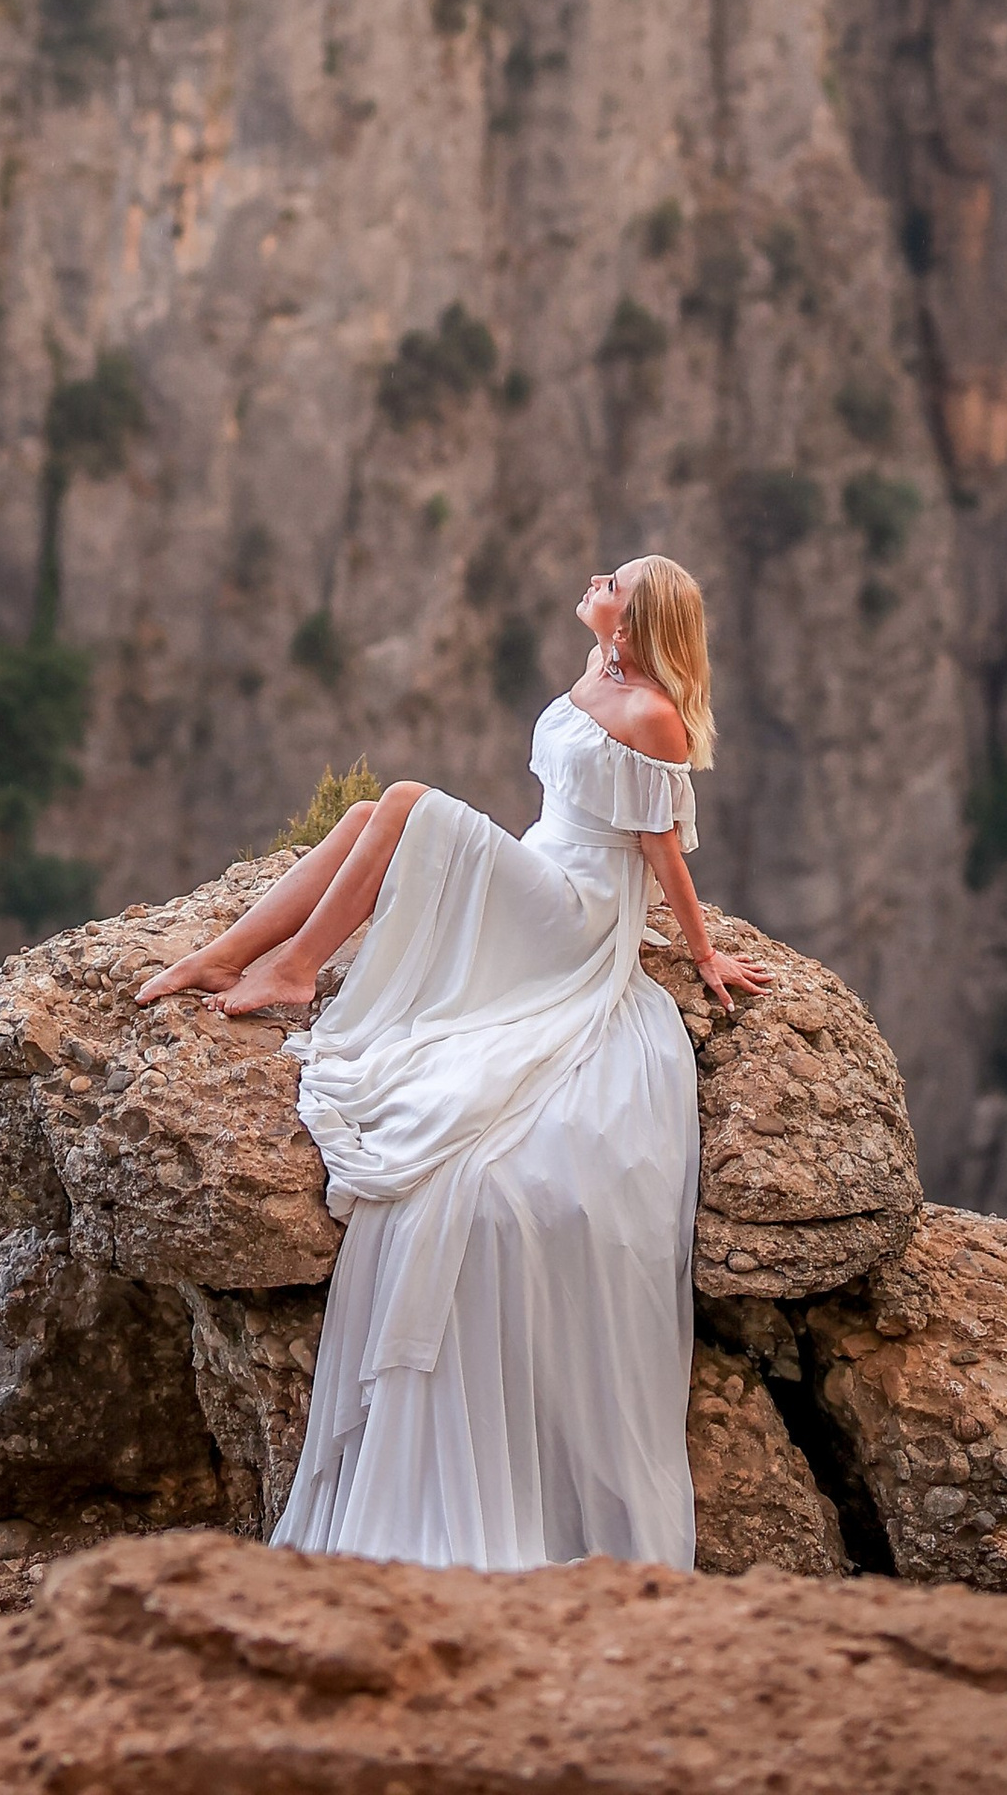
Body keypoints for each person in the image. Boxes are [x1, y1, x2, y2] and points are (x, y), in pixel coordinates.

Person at [134, 555, 769, 1570]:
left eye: (615, 579)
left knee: (410, 802)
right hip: (544, 867)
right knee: (368, 821)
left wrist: (700, 955)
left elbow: (662, 862)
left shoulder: (651, 714)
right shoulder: (597, 671)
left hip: (575, 918)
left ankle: (295, 967)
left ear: (638, 616)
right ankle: (228, 952)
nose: (594, 577)